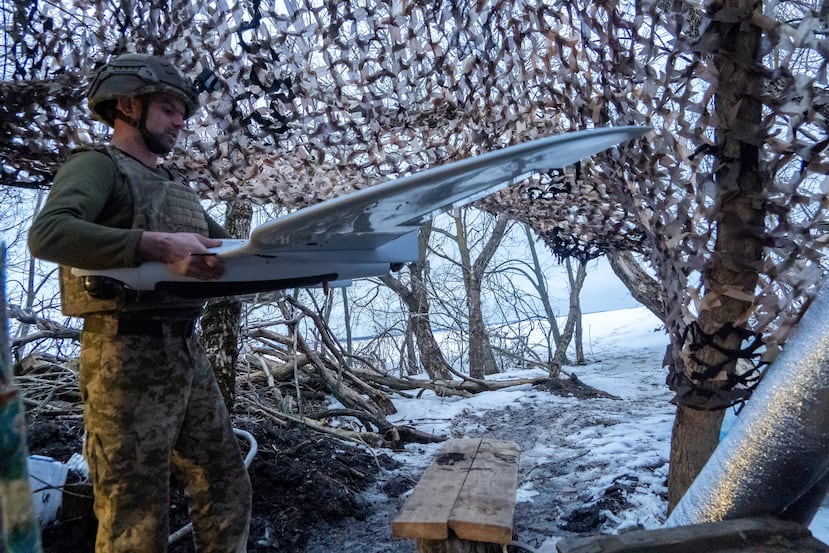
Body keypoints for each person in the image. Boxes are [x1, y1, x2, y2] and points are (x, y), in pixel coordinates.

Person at [28, 53, 252, 552]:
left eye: (183, 114)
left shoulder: (177, 187)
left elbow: (229, 259)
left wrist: (312, 263)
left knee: (226, 486)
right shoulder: (97, 166)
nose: (180, 123)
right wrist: (154, 245)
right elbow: (48, 234)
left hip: (185, 352)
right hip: (123, 356)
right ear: (129, 104)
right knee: (135, 515)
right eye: (171, 109)